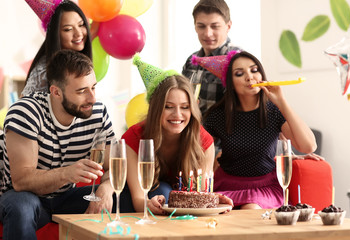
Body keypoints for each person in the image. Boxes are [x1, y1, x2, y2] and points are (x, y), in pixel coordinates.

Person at [0, 50, 132, 240]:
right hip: (23, 197)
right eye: (81, 91)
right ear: (56, 92)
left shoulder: (97, 114)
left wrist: (107, 189)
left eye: (93, 87)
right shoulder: (26, 113)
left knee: (124, 196)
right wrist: (67, 173)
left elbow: (115, 166)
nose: (92, 98)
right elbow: (21, 181)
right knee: (21, 207)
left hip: (64, 199)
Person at [197, 50, 317, 209]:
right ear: (230, 83)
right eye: (239, 74)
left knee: (251, 209)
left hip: (264, 188)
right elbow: (196, 148)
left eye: (254, 70)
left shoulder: (273, 111)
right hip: (225, 186)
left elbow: (308, 146)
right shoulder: (218, 116)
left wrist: (281, 101)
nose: (250, 77)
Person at [122, 55, 232, 215]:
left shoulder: (203, 141)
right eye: (168, 107)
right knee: (164, 191)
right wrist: (149, 205)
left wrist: (212, 202)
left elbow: (199, 197)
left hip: (182, 217)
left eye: (185, 107)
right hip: (140, 206)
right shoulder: (134, 138)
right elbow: (138, 199)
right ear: (155, 108)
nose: (177, 114)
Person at [21, 0, 94, 96]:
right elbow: (22, 106)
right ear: (55, 34)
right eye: (68, 29)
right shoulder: (44, 71)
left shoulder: (75, 58)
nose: (79, 33)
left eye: (81, 25)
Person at [182, 0, 242, 116]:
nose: (208, 33)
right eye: (201, 26)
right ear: (195, 27)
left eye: (215, 26)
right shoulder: (191, 61)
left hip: (225, 132)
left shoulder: (238, 59)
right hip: (195, 131)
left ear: (228, 26)